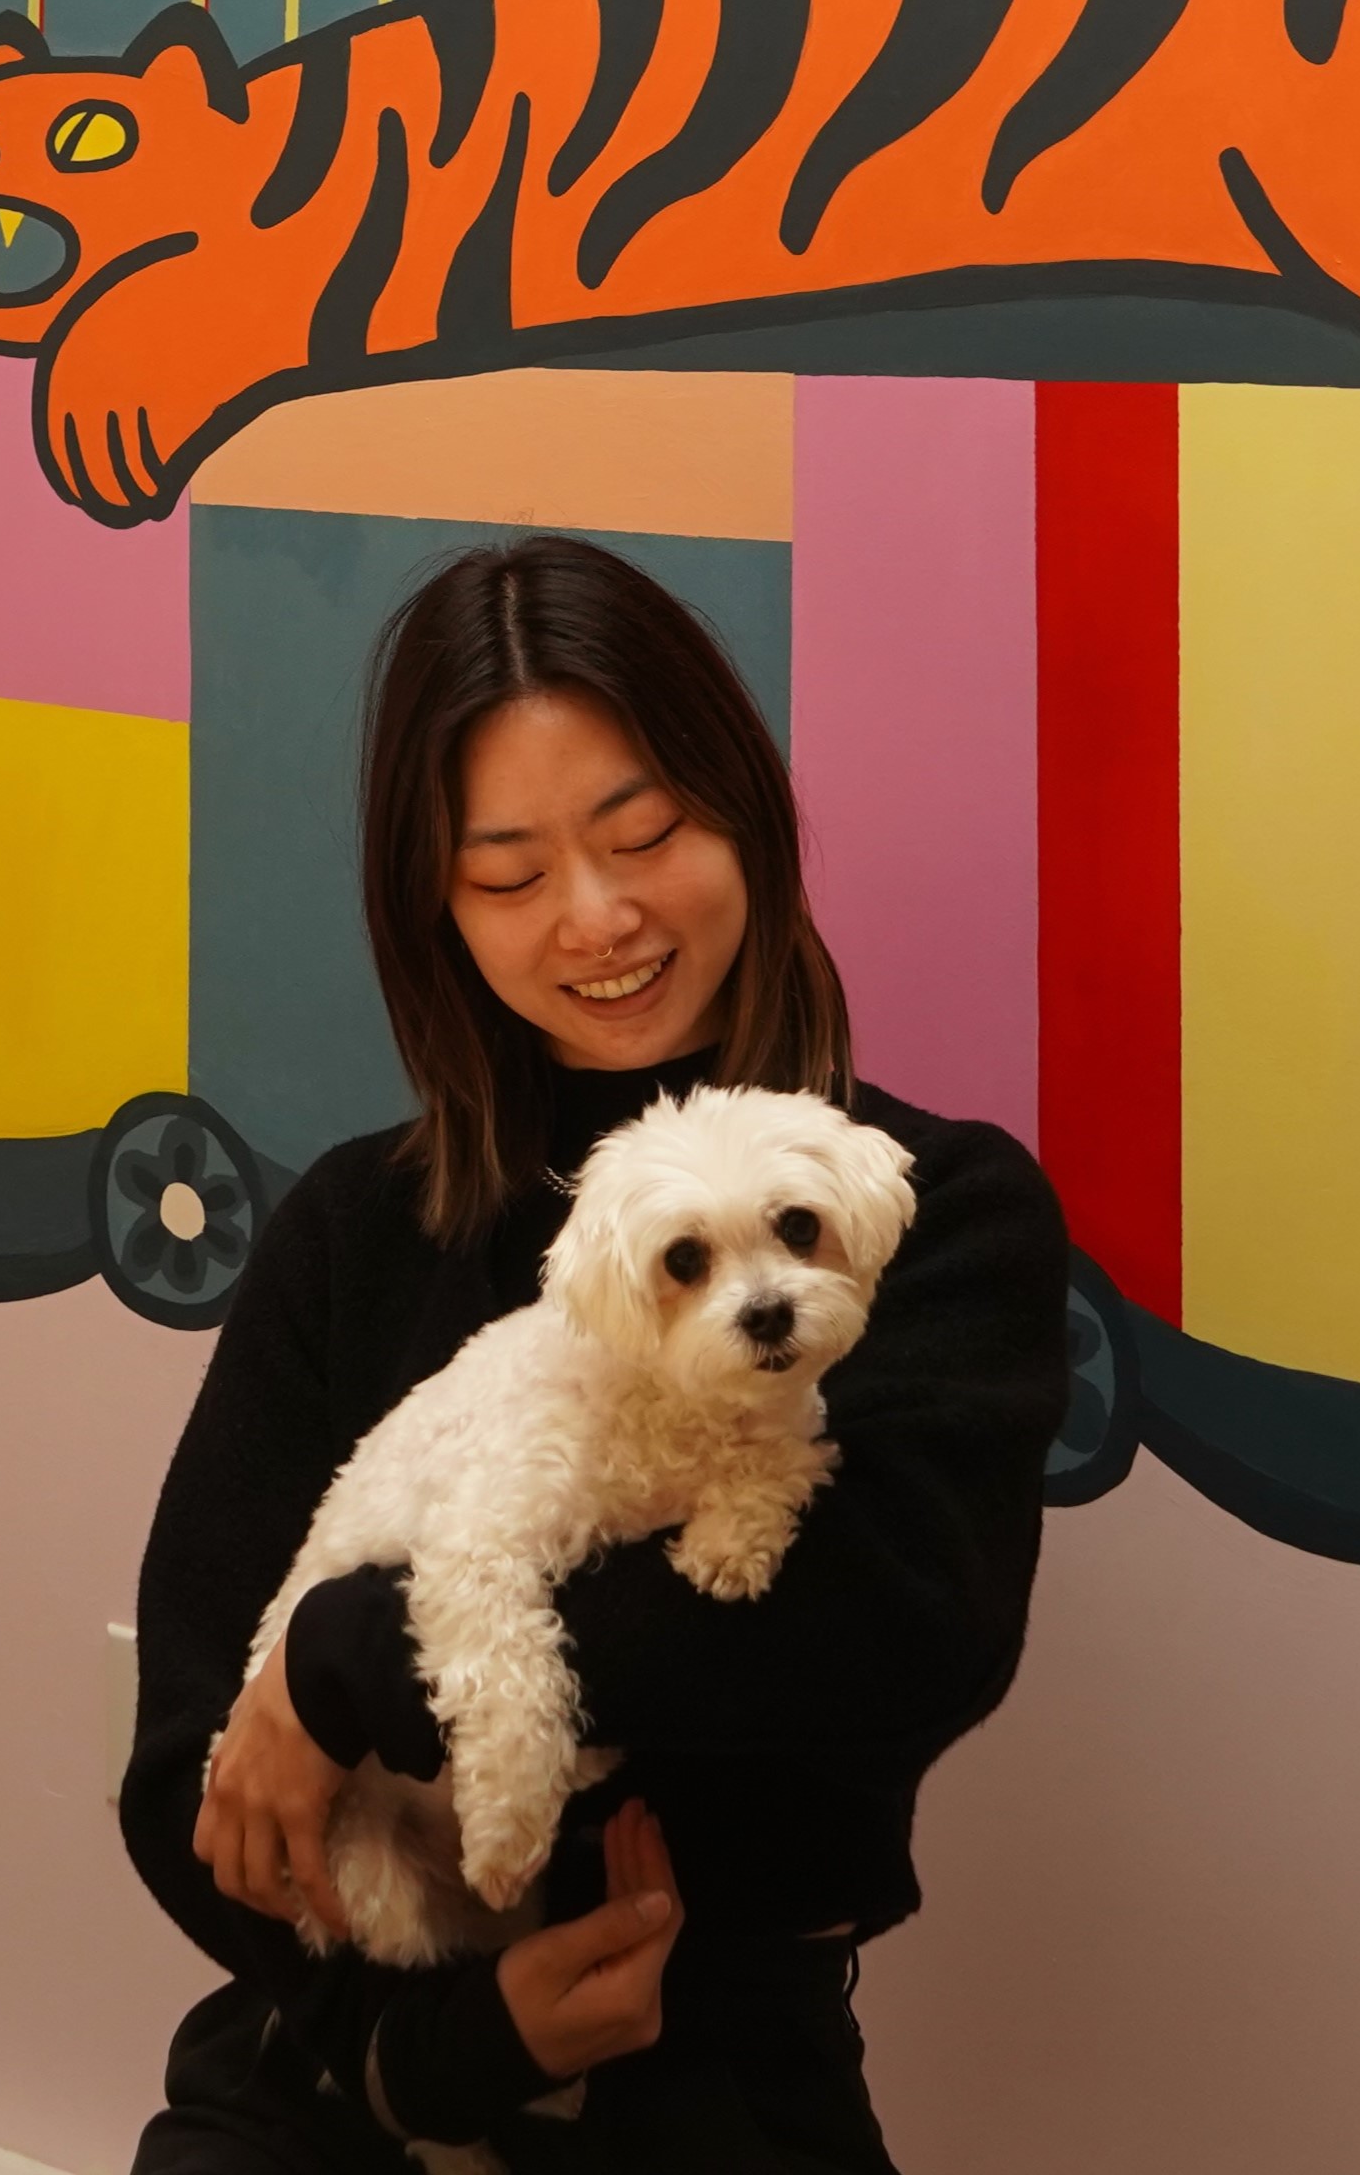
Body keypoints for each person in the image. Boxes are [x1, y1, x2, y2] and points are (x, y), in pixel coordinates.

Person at [119, 534, 1069, 2170]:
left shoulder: (928, 1213)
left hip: (715, 2080)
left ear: (747, 815)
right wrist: (435, 2055)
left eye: (646, 834)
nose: (598, 916)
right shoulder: (359, 1228)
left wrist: (348, 1658)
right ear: (435, 909)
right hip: (334, 2071)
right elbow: (194, 1765)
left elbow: (895, 1627)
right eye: (509, 876)